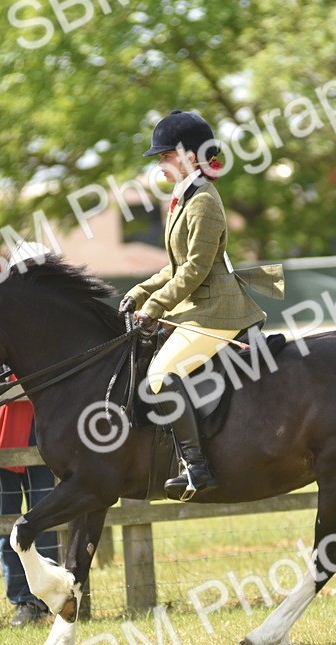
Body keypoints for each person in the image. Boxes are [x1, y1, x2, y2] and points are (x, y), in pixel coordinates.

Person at [119, 109, 280, 500]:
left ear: (190, 156)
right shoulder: (183, 198)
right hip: (196, 307)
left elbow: (195, 268)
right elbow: (174, 266)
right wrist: (140, 291)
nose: (160, 163)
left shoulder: (204, 200)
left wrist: (154, 306)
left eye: (166, 155)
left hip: (216, 311)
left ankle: (195, 466)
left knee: (160, 377)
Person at [0, 392, 61, 627]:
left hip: (41, 436)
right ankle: (23, 601)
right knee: (5, 529)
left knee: (46, 525)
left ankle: (50, 598)